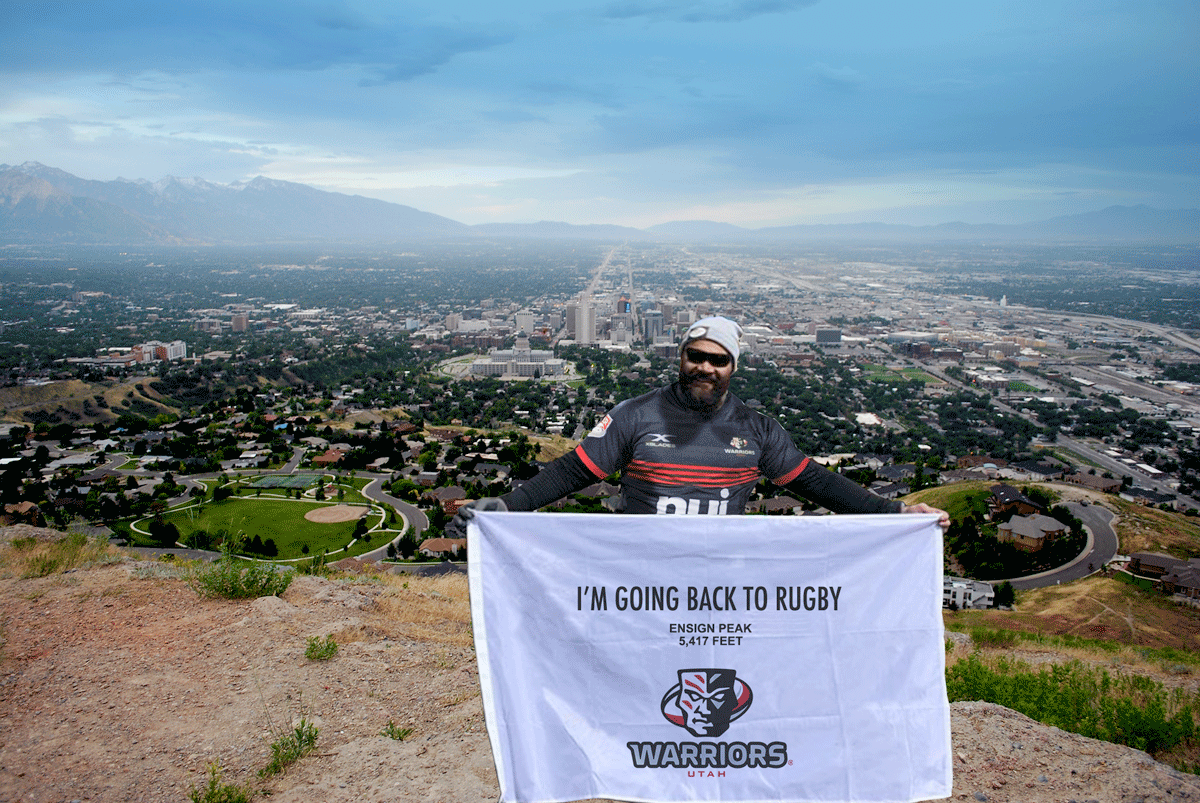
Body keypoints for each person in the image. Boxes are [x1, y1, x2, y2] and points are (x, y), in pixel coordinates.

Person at [449, 316, 949, 534]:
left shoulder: (757, 429)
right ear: (680, 356)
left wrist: (895, 512)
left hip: (718, 581)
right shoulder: (635, 415)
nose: (706, 368)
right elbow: (571, 473)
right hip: (639, 579)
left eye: (719, 360)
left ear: (734, 366)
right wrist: (505, 507)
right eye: (696, 356)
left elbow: (817, 482)